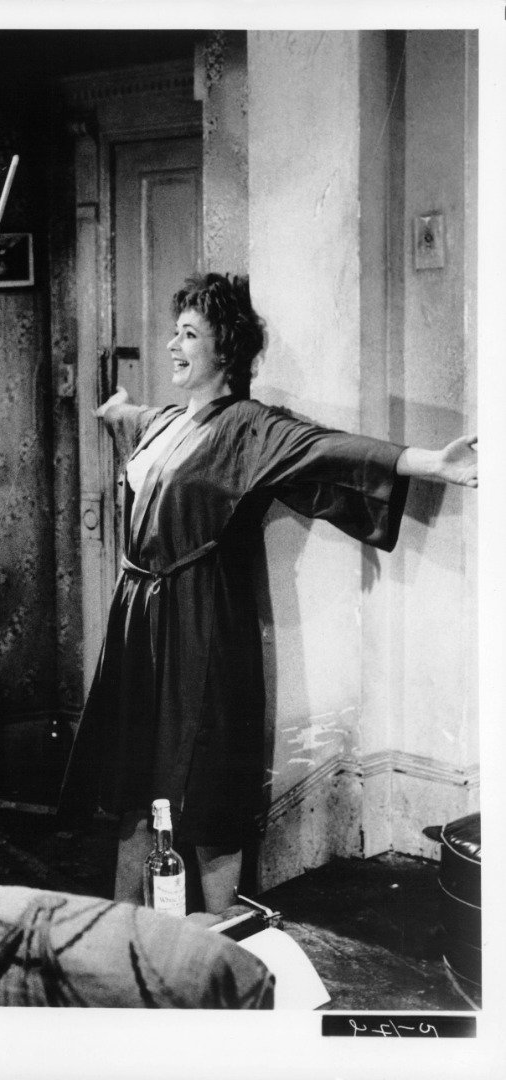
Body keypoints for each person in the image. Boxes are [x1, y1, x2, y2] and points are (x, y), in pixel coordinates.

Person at [57, 272, 477, 916]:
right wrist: (114, 411)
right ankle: (123, 934)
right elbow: (131, 423)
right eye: (175, 331)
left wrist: (430, 463)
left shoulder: (249, 427)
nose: (173, 345)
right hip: (138, 619)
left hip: (202, 620)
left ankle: (223, 930)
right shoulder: (167, 421)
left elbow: (331, 448)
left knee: (204, 780)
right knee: (133, 777)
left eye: (189, 335)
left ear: (225, 349)